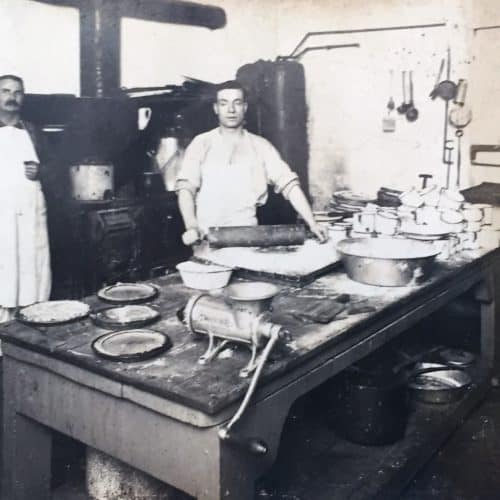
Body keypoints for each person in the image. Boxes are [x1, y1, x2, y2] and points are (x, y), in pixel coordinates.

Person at [175, 80, 328, 254]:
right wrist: (191, 226)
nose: (231, 110)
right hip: (206, 240)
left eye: (237, 103)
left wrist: (313, 223)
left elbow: (290, 185)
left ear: (245, 107)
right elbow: (186, 189)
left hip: (247, 239)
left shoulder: (261, 146)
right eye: (224, 103)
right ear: (216, 108)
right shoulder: (201, 143)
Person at [0, 74, 51, 323]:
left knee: (33, 268)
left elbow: (56, 169)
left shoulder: (33, 131)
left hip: (30, 214)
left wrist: (41, 171)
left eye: (17, 92)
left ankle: (32, 328)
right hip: (2, 217)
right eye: (5, 91)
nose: (11, 97)